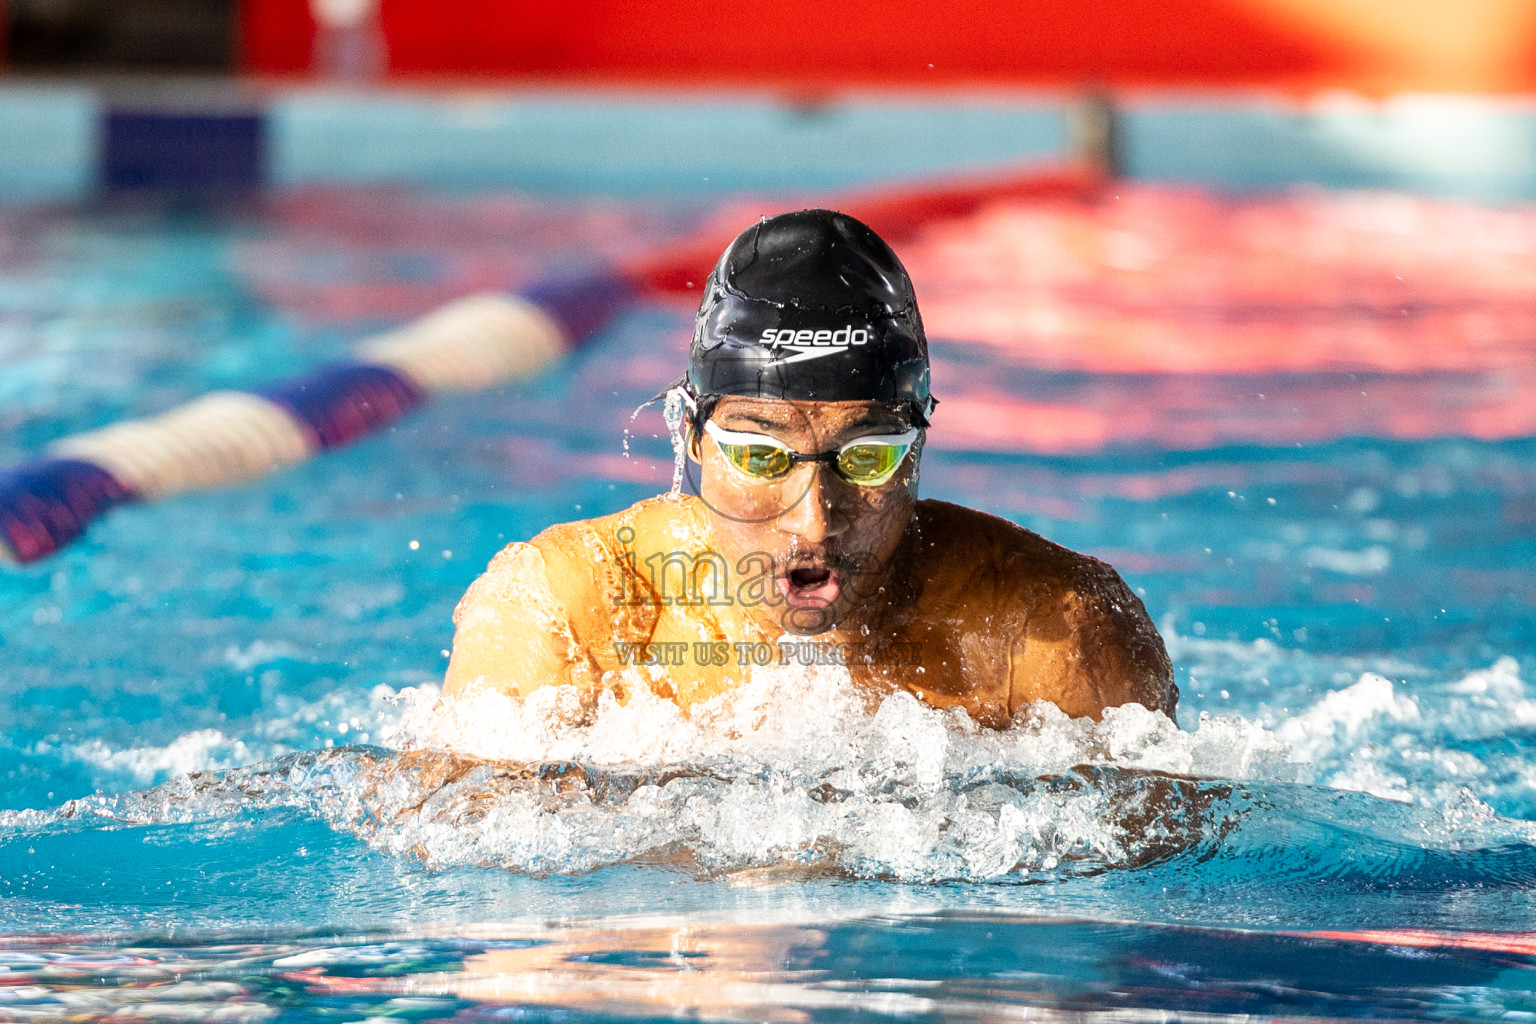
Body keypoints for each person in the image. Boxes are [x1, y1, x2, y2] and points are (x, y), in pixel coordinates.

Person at [444, 209, 1175, 726]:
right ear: (691, 438)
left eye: (866, 458)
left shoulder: (1045, 632)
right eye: (760, 455)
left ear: (917, 446)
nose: (814, 517)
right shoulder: (569, 612)